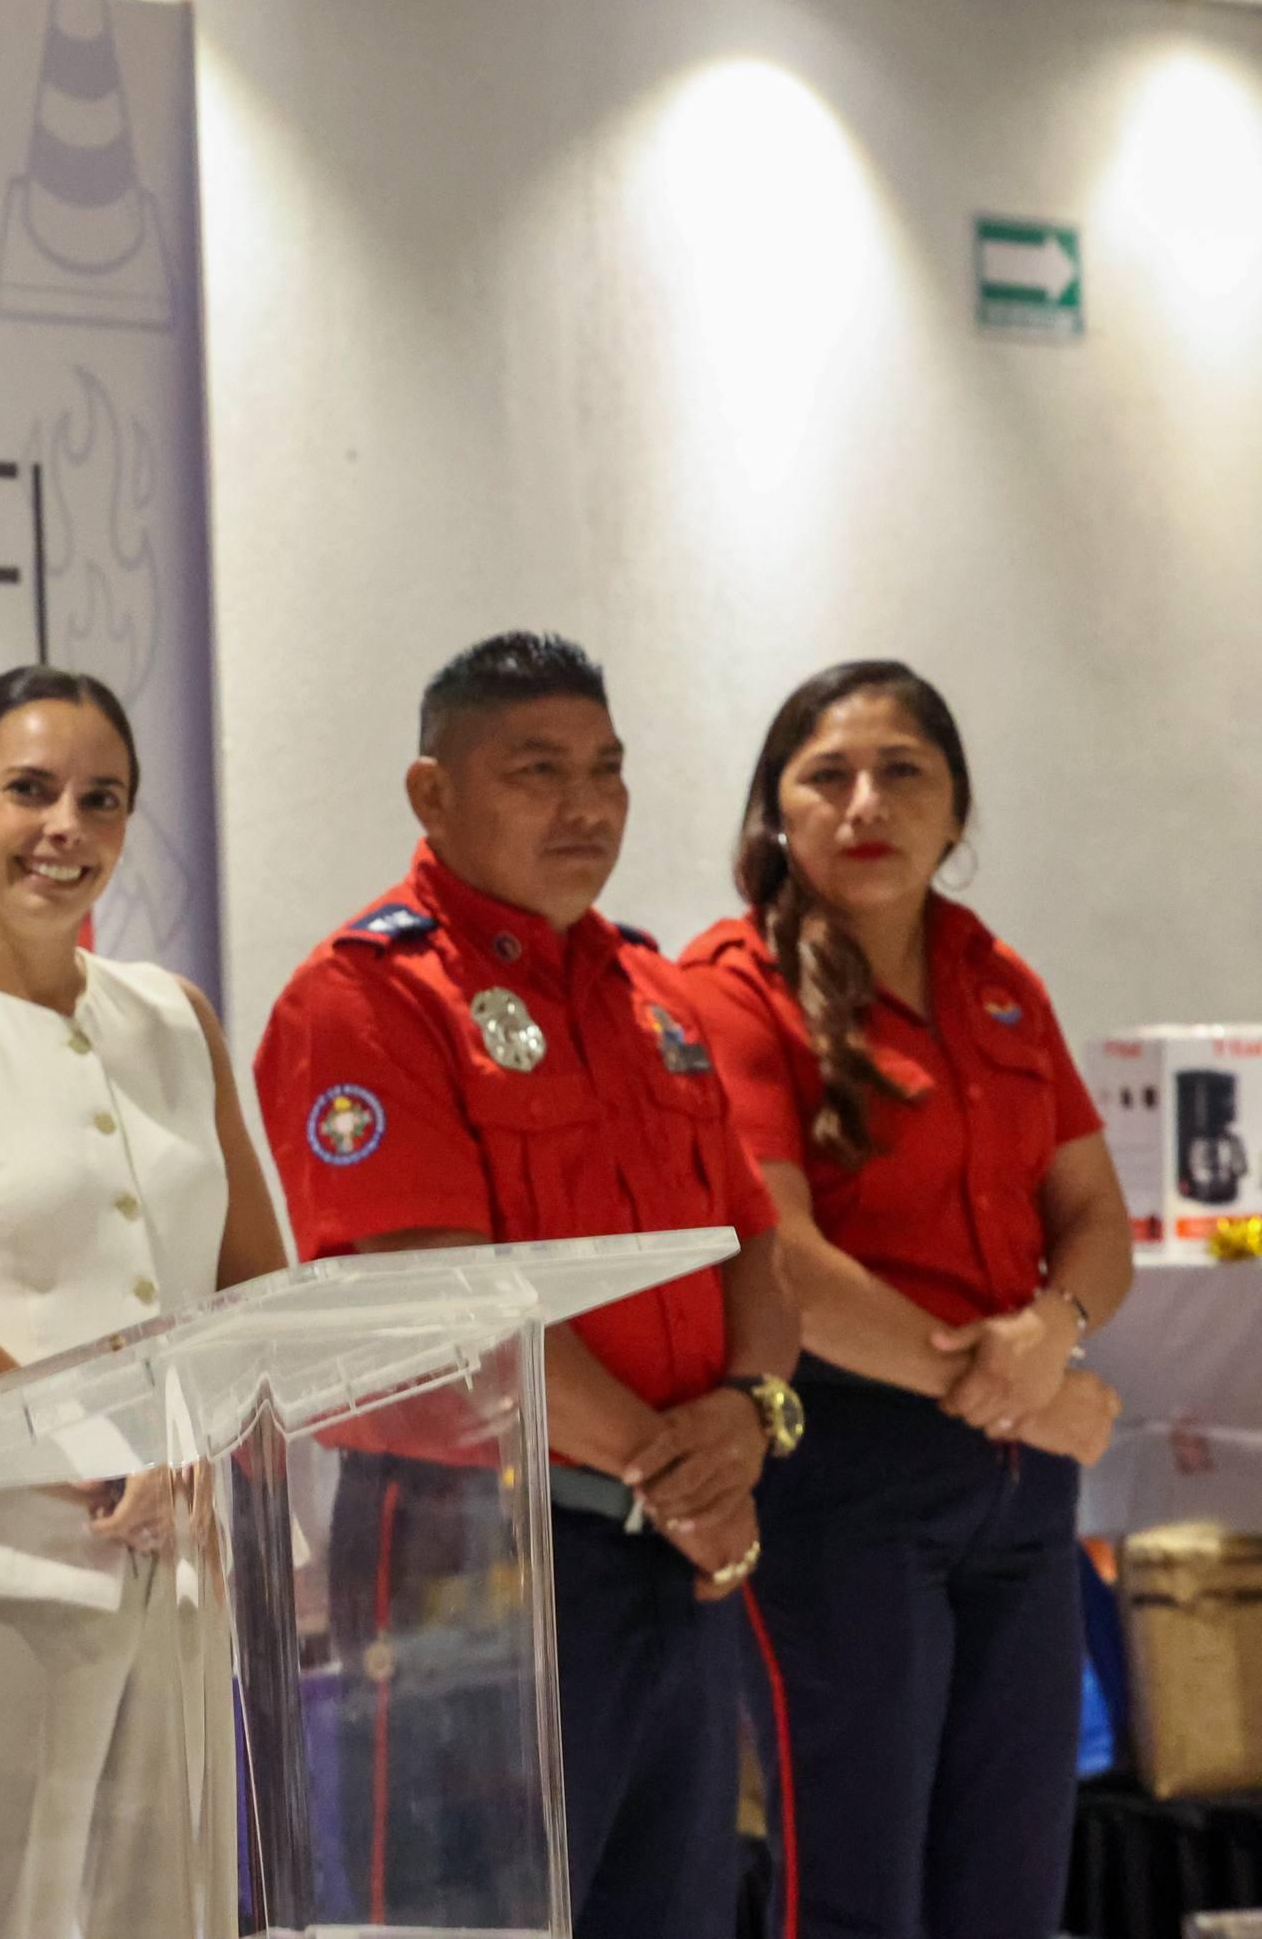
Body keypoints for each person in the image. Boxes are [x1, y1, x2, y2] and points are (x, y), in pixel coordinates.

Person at [252, 631, 796, 1938]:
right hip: (475, 1552)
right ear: (431, 793)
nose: (586, 804)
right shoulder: (366, 997)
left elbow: (752, 1246)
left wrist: (750, 1411)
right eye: (537, 770)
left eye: (606, 768)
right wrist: (677, 1472)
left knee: (672, 1909)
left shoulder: (652, 991)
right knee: (467, 1917)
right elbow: (435, 1292)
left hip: (673, 1555)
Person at [679, 660, 1131, 1939]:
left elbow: (1095, 1219)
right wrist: (1002, 1388)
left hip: (1015, 1488)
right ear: (776, 811)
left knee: (1011, 1885)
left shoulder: (998, 979)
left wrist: (1053, 1330)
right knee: (856, 1890)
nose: (864, 802)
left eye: (902, 772)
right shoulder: (728, 986)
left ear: (956, 810)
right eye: (826, 776)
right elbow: (779, 1259)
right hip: (841, 1479)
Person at [0, 666, 286, 1939]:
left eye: (102, 799)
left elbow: (261, 1292)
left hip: (183, 1564)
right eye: (28, 790)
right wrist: (112, 1454)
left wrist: (200, 1450)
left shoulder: (175, 1016)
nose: (64, 828)